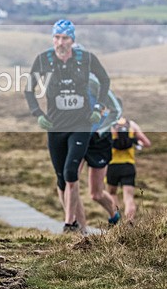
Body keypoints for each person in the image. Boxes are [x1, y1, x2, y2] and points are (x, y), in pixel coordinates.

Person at [25, 19, 111, 233]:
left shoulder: (86, 59)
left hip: (80, 124)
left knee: (71, 172)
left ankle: (69, 223)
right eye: (56, 37)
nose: (60, 42)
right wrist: (38, 114)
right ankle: (78, 226)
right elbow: (29, 89)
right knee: (61, 178)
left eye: (64, 38)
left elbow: (105, 80)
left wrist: (98, 107)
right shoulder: (43, 60)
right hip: (55, 126)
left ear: (72, 40)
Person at [80, 74, 123, 226]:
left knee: (96, 194)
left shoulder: (95, 82)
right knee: (69, 182)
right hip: (78, 137)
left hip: (99, 141)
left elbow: (117, 109)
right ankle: (75, 226)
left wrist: (101, 131)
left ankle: (115, 216)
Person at [107, 115, 151, 223]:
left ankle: (115, 220)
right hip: (128, 165)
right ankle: (129, 222)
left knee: (112, 193)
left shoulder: (108, 125)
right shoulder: (132, 125)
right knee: (128, 197)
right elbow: (147, 143)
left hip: (112, 165)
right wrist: (136, 143)